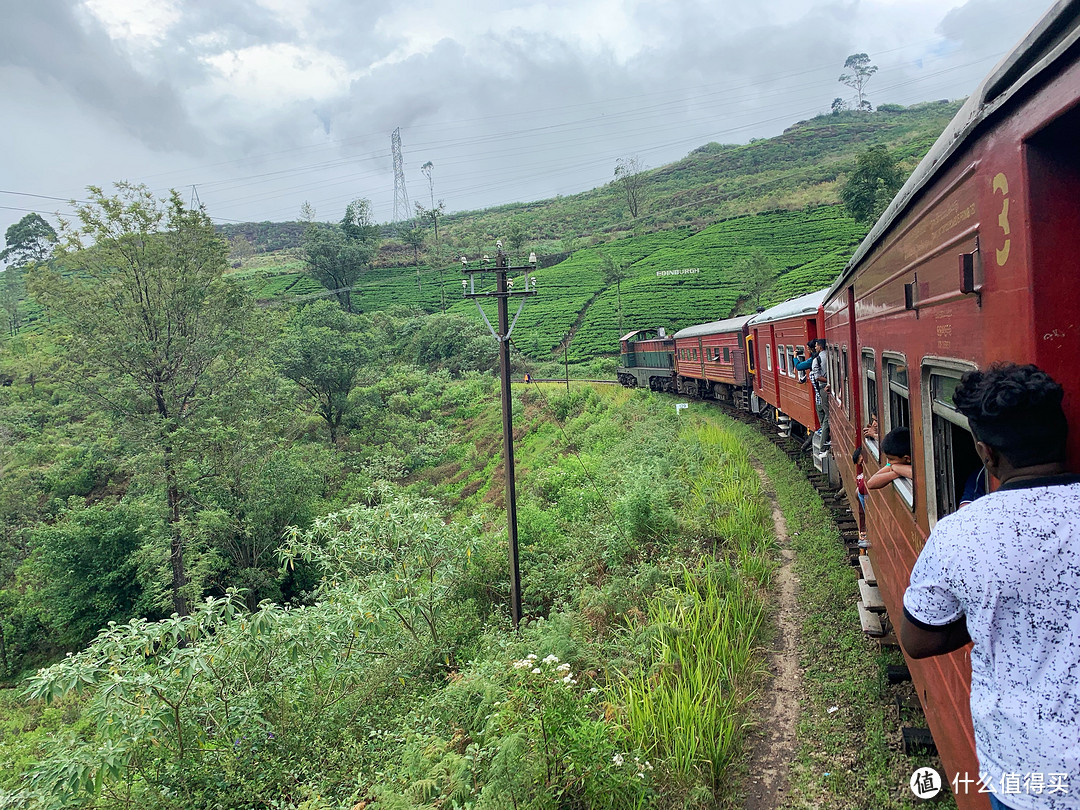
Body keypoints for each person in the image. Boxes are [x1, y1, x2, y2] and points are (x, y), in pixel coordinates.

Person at [899, 363, 1080, 810]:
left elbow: (917, 639)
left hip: (1027, 772)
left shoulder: (961, 533)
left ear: (986, 453)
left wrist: (990, 616)